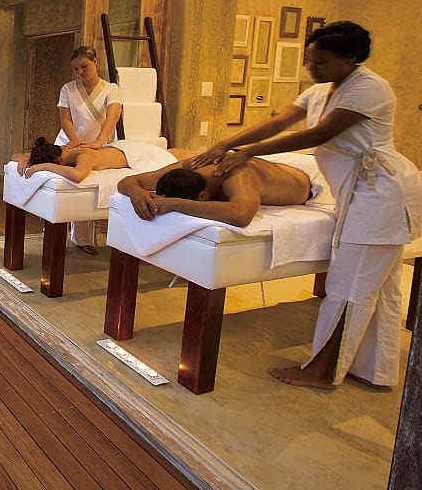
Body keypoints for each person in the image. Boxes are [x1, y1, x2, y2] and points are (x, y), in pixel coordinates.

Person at [187, 20, 422, 390]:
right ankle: (374, 371)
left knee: (350, 286)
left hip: (381, 196)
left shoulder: (371, 88)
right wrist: (225, 144)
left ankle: (323, 372)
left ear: (352, 58)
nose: (311, 68)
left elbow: (319, 134)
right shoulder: (321, 91)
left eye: (321, 61)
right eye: (309, 60)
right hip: (360, 195)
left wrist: (247, 153)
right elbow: (278, 123)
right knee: (377, 286)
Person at [50, 45, 123, 252]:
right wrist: (74, 141)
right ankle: (54, 227)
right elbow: (66, 119)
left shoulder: (111, 89)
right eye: (76, 69)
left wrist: (99, 141)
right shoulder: (68, 89)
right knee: (61, 186)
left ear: (95, 62)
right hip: (68, 143)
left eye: (84, 66)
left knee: (85, 186)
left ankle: (83, 239)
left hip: (96, 145)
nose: (80, 72)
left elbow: (113, 116)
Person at [117, 158, 312, 227]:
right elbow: (128, 181)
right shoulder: (191, 166)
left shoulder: (239, 177)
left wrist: (175, 204)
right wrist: (137, 193)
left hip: (304, 180)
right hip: (267, 164)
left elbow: (241, 215)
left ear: (203, 196)